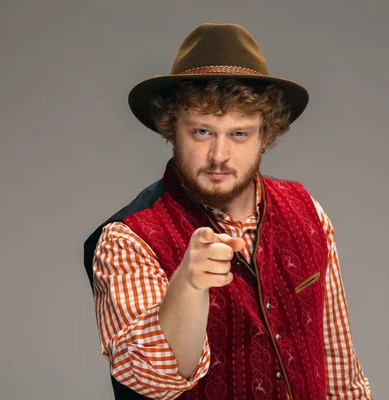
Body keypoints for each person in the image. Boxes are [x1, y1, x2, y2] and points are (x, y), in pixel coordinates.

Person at [83, 23, 372, 400]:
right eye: (202, 132)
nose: (219, 155)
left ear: (265, 135)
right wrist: (187, 285)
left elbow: (338, 367)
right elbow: (154, 380)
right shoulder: (128, 239)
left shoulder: (308, 212)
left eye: (239, 134)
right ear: (171, 130)